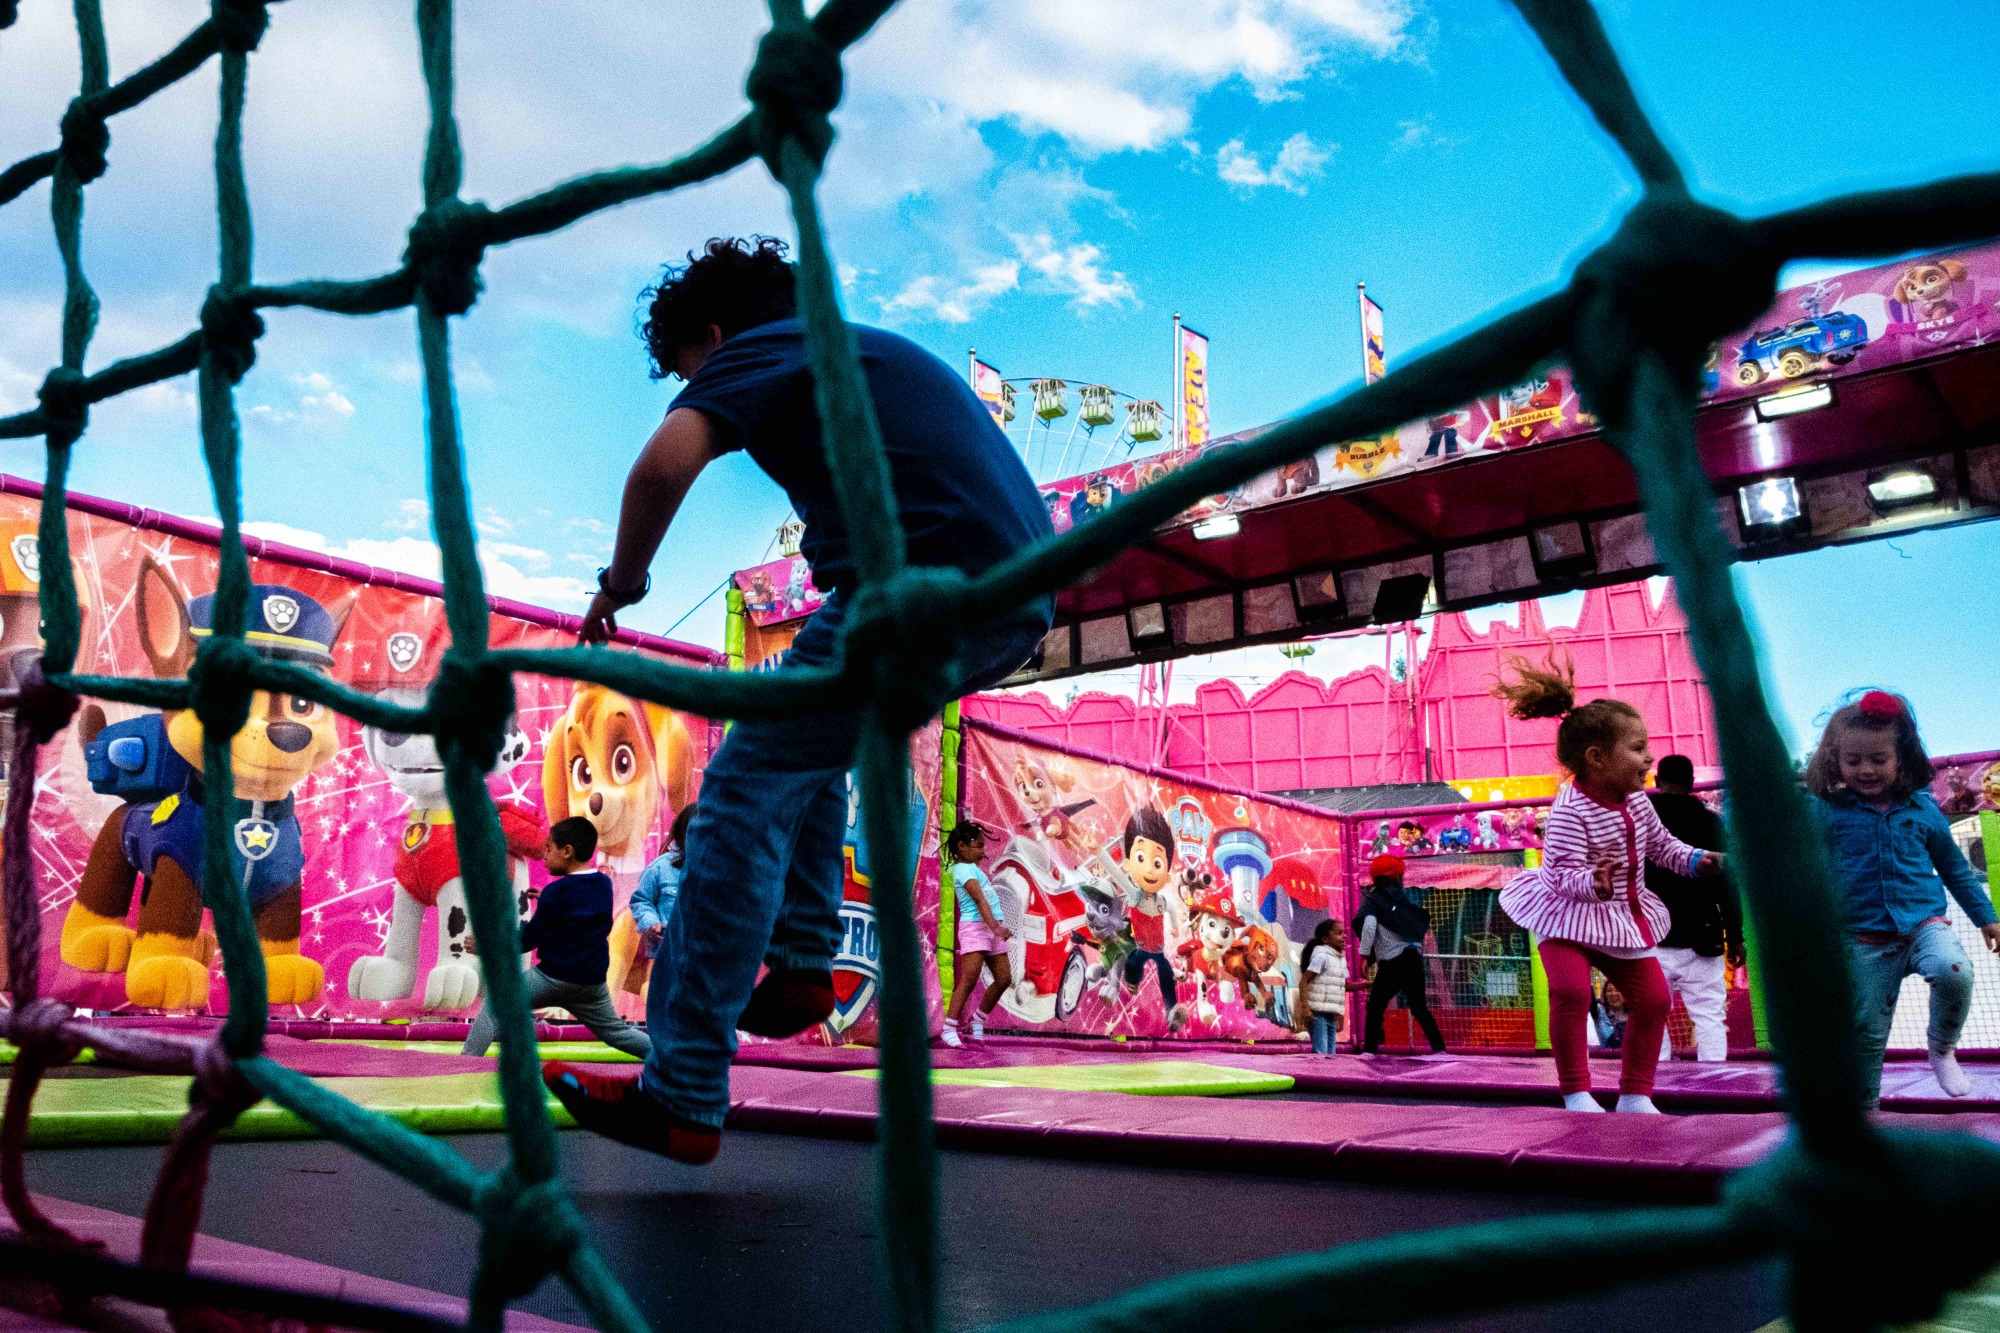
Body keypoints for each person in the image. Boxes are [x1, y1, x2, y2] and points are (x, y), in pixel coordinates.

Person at [546, 237, 1053, 1163]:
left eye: (688, 371)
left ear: (713, 335)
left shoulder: (763, 347)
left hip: (916, 584)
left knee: (737, 794)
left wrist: (621, 585)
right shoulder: (854, 352)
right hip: (1004, 597)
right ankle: (804, 964)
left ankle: (681, 1090)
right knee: (801, 745)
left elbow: (661, 467)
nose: (697, 388)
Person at [1493, 654, 1726, 1114]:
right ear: (1597, 759)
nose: (1649, 758)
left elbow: (1663, 847)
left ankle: (1635, 1094)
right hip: (1565, 916)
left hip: (1618, 917)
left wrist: (1697, 860)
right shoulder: (1569, 810)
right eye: (1637, 749)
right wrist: (1591, 882)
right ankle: (1576, 1092)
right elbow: (1559, 875)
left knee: (1654, 1000)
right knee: (1571, 992)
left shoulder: (1639, 802)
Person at [1808, 689, 2000, 1105]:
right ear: (1836, 761)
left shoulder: (1923, 809)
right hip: (1864, 937)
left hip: (1923, 925)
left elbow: (1953, 868)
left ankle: (1942, 1048)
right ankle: (1865, 1110)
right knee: (1866, 1032)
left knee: (1955, 972)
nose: (1866, 769)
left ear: (1902, 758)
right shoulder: (1826, 811)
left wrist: (1987, 917)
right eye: (1853, 760)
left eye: (1879, 759)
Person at [461, 817, 652, 1060]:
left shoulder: (557, 892)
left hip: (553, 978)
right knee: (616, 1032)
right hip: (591, 984)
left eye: (549, 848)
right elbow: (583, 909)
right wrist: (552, 900)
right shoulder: (602, 883)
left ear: (567, 852)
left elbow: (528, 940)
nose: (544, 855)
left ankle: (466, 1062)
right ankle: (668, 1060)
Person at [1645, 755, 1741, 1063]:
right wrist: (1735, 936)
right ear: (1691, 783)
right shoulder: (1710, 821)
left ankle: (1654, 1082)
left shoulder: (1642, 819)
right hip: (1702, 932)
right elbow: (1727, 884)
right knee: (1709, 1016)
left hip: (1649, 934)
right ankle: (1714, 1082)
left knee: (1649, 1016)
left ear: (1657, 781)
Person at [1354, 854, 1446, 1055]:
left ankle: (1369, 1051)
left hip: (1393, 960)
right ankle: (1439, 1049)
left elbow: (1369, 925)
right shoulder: (1403, 899)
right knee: (1419, 1006)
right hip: (1413, 957)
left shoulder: (1374, 899)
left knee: (1376, 1006)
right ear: (1397, 877)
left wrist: (1364, 956)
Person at [941, 821, 1011, 1048]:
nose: (983, 851)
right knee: (969, 978)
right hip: (975, 928)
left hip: (992, 926)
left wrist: (995, 927)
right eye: (978, 846)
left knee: (1003, 979)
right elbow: (979, 900)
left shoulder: (975, 869)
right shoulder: (963, 869)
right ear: (962, 846)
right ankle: (949, 1027)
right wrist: (996, 928)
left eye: (983, 846)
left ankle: (978, 1019)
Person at [627, 803, 697, 994]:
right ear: (684, 831)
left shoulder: (719, 871)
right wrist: (651, 923)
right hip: (665, 957)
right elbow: (641, 900)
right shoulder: (661, 868)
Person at [1297, 918, 1356, 1056]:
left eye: (1344, 933)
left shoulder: (1340, 959)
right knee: (1321, 1054)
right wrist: (1306, 1008)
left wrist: (1370, 984)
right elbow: (1303, 982)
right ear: (1325, 939)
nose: (1344, 936)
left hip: (1330, 1015)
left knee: (1330, 1055)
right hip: (1317, 1014)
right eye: (1339, 933)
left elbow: (1345, 986)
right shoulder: (1322, 957)